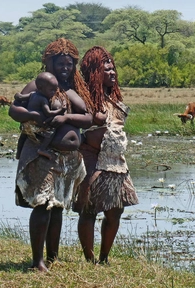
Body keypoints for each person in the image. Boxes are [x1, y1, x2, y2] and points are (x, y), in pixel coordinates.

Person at [8, 38, 93, 272]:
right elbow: (14, 110)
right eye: (60, 64)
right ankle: (38, 262)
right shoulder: (38, 86)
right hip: (41, 153)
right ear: (49, 63)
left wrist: (66, 118)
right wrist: (32, 116)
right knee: (43, 204)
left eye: (69, 64)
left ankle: (52, 257)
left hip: (66, 160)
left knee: (57, 206)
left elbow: (88, 118)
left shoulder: (70, 91)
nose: (65, 68)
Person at [72, 46, 139, 264]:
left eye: (113, 69)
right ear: (94, 73)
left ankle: (104, 258)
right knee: (89, 209)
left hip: (116, 161)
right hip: (93, 158)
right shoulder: (84, 98)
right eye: (106, 70)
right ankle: (89, 259)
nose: (112, 73)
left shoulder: (114, 97)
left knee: (115, 211)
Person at [14, 72, 67, 160]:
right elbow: (48, 113)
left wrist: (17, 96)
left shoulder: (32, 94)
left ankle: (19, 152)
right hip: (36, 125)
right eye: (51, 90)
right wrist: (60, 110)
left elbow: (20, 97)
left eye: (55, 89)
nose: (54, 93)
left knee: (23, 135)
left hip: (26, 123)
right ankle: (42, 149)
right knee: (51, 131)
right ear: (41, 88)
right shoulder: (43, 99)